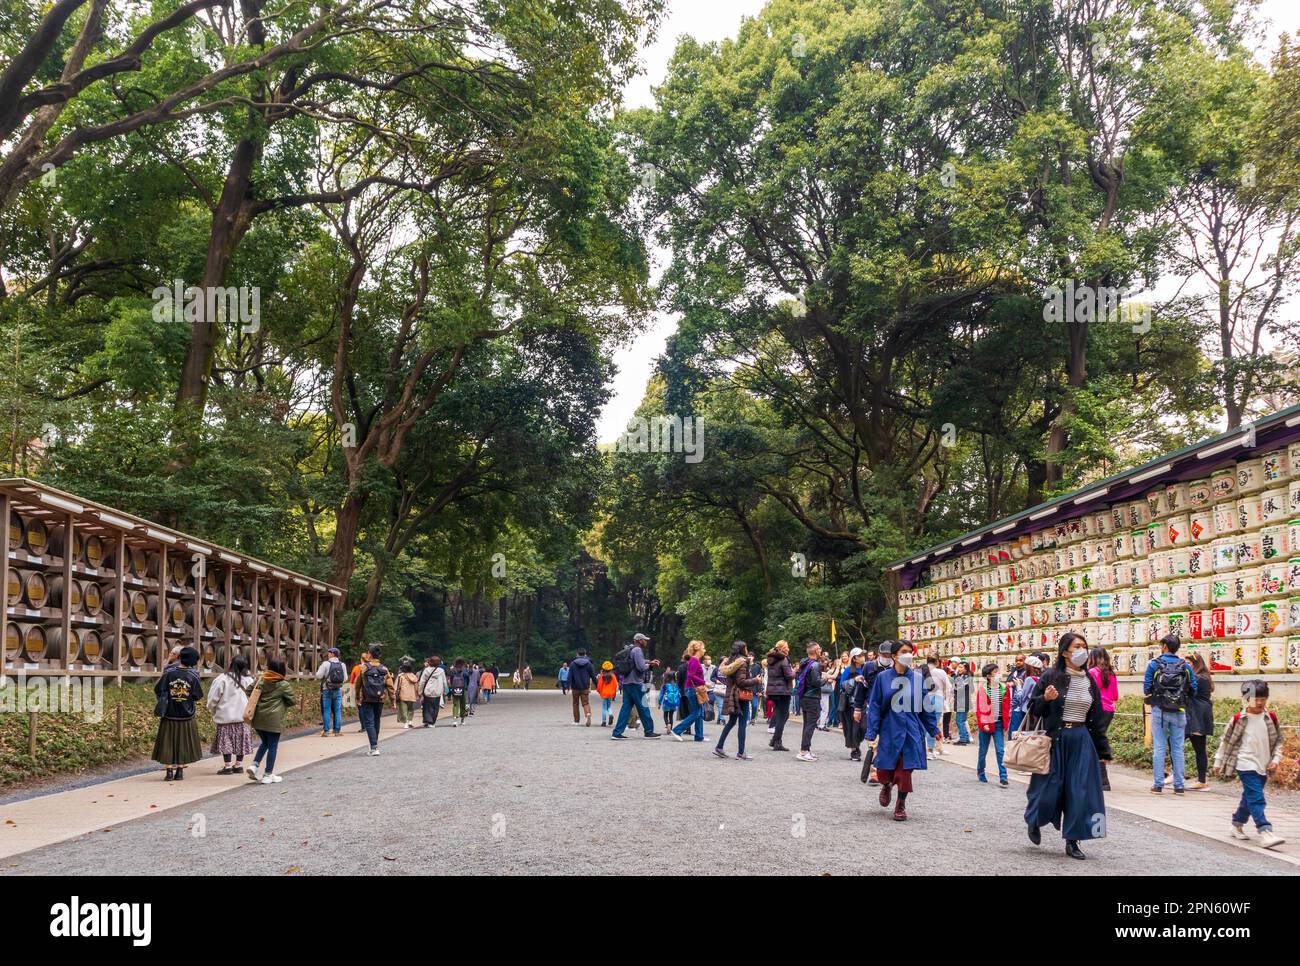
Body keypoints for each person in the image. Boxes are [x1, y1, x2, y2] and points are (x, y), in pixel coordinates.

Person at [1024, 632, 1109, 860]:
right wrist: (1046, 699)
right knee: (1046, 790)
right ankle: (1034, 820)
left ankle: (1073, 840)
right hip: (1056, 739)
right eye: (1076, 646)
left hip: (1081, 740)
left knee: (1080, 792)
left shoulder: (1089, 679)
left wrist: (1103, 750)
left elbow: (1097, 716)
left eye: (1084, 646)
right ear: (1064, 652)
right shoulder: (1051, 676)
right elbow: (1033, 709)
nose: (1082, 650)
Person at [864, 640, 938, 821]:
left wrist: (933, 728)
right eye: (904, 651)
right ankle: (887, 785)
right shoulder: (883, 678)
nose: (908, 654)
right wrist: (872, 732)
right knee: (883, 768)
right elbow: (874, 705)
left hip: (911, 729)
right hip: (889, 728)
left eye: (910, 651)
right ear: (895, 655)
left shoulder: (919, 678)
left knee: (905, 770)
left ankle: (901, 803)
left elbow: (926, 706)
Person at [1213, 680, 1286, 849]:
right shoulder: (1238, 719)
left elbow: (1279, 742)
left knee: (1250, 797)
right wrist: (1218, 762)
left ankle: (1236, 824)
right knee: (1257, 798)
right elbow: (1226, 742)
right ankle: (1265, 831)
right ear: (1246, 698)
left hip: (1264, 764)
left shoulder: (1271, 717)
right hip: (1244, 763)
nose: (1260, 702)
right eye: (1255, 699)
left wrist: (1275, 760)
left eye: (1263, 698)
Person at [1143, 634, 1197, 794]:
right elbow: (1194, 688)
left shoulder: (1154, 664)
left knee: (1159, 747)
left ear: (1165, 646)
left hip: (1159, 709)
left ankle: (1158, 785)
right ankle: (1179, 786)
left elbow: (1146, 688)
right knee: (1178, 749)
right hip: (1179, 710)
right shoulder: (1185, 666)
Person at [152, 645, 204, 781]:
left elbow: (158, 689)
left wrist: (166, 697)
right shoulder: (193, 676)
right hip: (186, 715)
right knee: (183, 742)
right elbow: (198, 696)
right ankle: (180, 771)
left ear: (179, 657)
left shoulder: (169, 674)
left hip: (169, 713)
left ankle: (169, 772)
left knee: (168, 742)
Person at [246, 656, 298, 784]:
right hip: (273, 720)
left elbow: (248, 690)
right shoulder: (283, 684)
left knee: (265, 743)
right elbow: (292, 701)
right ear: (282, 669)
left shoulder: (261, 680)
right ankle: (268, 774)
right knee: (273, 746)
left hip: (258, 718)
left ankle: (254, 765)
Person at [713, 641, 762, 760]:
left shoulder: (729, 662)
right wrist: (756, 680)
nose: (747, 649)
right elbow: (741, 682)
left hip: (732, 694)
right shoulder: (742, 663)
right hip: (740, 696)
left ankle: (719, 747)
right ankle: (741, 752)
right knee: (742, 723)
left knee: (731, 722)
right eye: (745, 647)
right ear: (742, 649)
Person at [207, 654, 253, 774]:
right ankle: (238, 765)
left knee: (225, 741)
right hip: (243, 718)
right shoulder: (249, 680)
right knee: (241, 741)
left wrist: (212, 710)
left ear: (231, 664)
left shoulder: (222, 679)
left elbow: (213, 698)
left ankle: (227, 766)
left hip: (225, 717)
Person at [611, 633, 661, 739]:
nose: (646, 641)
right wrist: (650, 665)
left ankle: (617, 732)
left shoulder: (630, 649)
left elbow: (635, 663)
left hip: (627, 683)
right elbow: (641, 667)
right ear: (639, 640)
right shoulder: (638, 650)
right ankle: (649, 731)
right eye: (644, 640)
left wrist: (648, 661)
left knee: (626, 708)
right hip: (636, 683)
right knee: (643, 707)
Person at [353, 644, 395, 753]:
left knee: (369, 723)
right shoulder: (384, 668)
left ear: (370, 654)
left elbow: (357, 684)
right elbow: (390, 686)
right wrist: (393, 701)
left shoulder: (363, 668)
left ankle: (374, 747)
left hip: (367, 698)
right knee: (377, 721)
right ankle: (375, 745)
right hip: (380, 698)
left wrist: (357, 697)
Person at [1087, 646, 1118, 791]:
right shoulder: (1111, 674)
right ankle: (1099, 779)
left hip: (1096, 710)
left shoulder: (1092, 672)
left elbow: (1089, 693)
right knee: (1097, 742)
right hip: (1109, 710)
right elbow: (1115, 696)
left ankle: (1102, 781)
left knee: (1093, 744)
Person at [975, 662, 1010, 786]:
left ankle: (1003, 776)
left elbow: (1007, 707)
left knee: (1000, 750)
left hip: (999, 724)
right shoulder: (983, 690)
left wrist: (1006, 723)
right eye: (995, 672)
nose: (998, 674)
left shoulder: (1004, 688)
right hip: (986, 724)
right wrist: (983, 722)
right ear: (988, 676)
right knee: (983, 750)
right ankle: (980, 771)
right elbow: (980, 708)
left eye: (998, 671)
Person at [1185, 651, 1214, 790]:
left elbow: (1187, 690)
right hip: (1199, 714)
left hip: (1197, 715)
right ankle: (1200, 780)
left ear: (1196, 664)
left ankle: (1202, 781)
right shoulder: (1203, 676)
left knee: (1199, 748)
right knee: (1198, 748)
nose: (1186, 666)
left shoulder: (1198, 678)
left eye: (1189, 663)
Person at [671, 641, 708, 742]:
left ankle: (699, 736)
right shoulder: (694, 660)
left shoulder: (694, 660)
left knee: (699, 712)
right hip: (692, 689)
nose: (704, 650)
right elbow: (691, 676)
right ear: (698, 650)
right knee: (696, 712)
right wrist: (704, 682)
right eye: (703, 648)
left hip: (693, 688)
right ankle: (677, 730)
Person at [794, 642, 826, 761]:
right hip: (812, 698)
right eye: (820, 649)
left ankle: (806, 749)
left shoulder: (805, 663)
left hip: (804, 697)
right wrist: (825, 679)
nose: (821, 650)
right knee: (810, 725)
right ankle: (803, 751)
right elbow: (816, 682)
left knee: (807, 724)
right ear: (816, 651)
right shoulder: (816, 665)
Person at [764, 641, 795, 752]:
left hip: (773, 691)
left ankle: (774, 739)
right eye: (786, 647)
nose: (788, 649)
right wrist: (795, 671)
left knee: (781, 714)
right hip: (783, 691)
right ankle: (777, 742)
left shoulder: (771, 659)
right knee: (783, 716)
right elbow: (789, 676)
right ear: (781, 648)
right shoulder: (783, 659)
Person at [840, 649, 869, 760]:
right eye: (860, 655)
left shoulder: (866, 669)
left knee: (864, 727)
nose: (863, 657)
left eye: (863, 654)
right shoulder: (848, 670)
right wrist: (854, 680)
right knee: (853, 727)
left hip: (864, 702)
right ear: (854, 658)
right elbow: (842, 686)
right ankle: (854, 749)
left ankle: (857, 743)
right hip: (851, 702)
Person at [314, 646, 347, 736]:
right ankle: (337, 731)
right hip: (338, 689)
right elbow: (345, 678)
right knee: (337, 710)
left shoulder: (326, 664)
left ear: (332, 654)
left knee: (327, 710)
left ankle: (326, 731)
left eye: (329, 652)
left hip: (327, 689)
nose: (328, 654)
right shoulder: (342, 665)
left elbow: (318, 676)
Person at [567, 649, 595, 726]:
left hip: (575, 687)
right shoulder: (589, 664)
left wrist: (567, 686)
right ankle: (587, 714)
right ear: (585, 654)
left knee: (575, 703)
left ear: (577, 654)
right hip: (585, 687)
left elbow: (569, 676)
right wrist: (597, 684)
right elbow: (593, 676)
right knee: (585, 703)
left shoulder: (572, 664)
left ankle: (576, 721)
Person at [417, 656, 447, 727]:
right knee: (435, 707)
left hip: (428, 691)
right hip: (437, 691)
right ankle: (432, 722)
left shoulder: (426, 670)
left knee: (427, 707)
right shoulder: (441, 671)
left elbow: (422, 682)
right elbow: (444, 681)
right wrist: (445, 691)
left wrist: (420, 691)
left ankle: (427, 721)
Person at [950, 661, 972, 745]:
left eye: (961, 667)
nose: (959, 669)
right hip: (961, 701)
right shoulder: (962, 676)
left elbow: (960, 686)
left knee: (959, 720)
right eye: (959, 667)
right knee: (962, 720)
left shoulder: (967, 677)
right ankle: (965, 737)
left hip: (963, 702)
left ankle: (963, 739)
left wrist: (954, 675)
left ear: (966, 668)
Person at [394, 658, 420, 729]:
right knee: (411, 709)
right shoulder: (414, 676)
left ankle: (405, 723)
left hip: (403, 695)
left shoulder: (401, 676)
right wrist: (417, 694)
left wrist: (394, 694)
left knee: (403, 709)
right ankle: (410, 721)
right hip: (412, 695)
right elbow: (417, 686)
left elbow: (396, 686)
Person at [595, 661, 619, 727]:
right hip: (610, 694)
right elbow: (615, 685)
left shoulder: (602, 676)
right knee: (609, 706)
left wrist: (599, 691)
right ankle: (610, 714)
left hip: (604, 693)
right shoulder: (613, 676)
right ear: (611, 669)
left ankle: (604, 721)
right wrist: (614, 692)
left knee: (604, 707)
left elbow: (599, 685)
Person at [449, 658, 472, 726]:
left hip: (455, 688)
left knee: (455, 704)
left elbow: (451, 679)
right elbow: (468, 680)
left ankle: (455, 719)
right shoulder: (465, 670)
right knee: (463, 704)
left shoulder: (453, 670)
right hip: (463, 689)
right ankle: (462, 720)